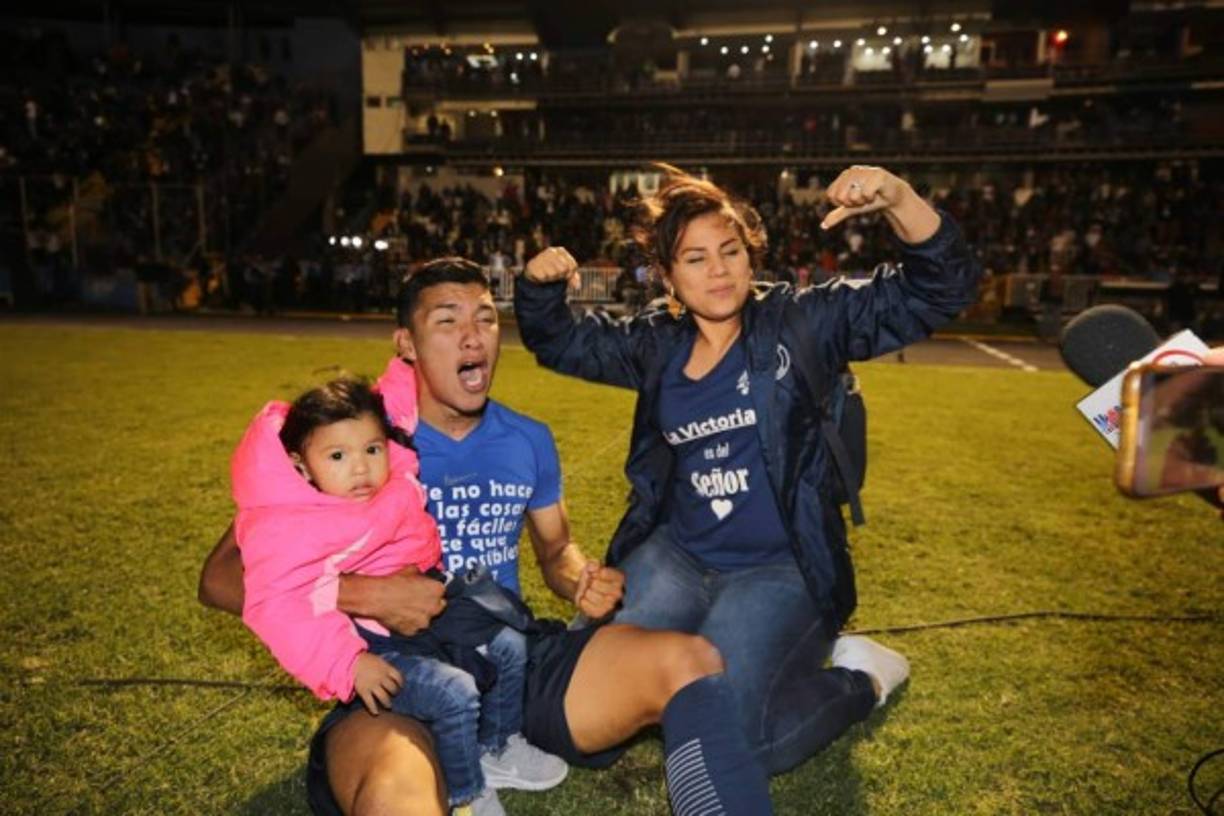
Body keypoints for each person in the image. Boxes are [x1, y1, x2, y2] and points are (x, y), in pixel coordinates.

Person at [199, 258, 775, 816]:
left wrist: (581, 580)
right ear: (406, 343)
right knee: (396, 799)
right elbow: (222, 578)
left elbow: (555, 552)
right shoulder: (353, 442)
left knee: (686, 660)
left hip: (510, 656)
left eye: (486, 318)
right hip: (397, 675)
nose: (472, 338)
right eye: (447, 322)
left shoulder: (527, 439)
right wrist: (368, 596)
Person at [514, 164, 982, 775]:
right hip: (677, 558)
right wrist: (539, 288)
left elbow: (940, 288)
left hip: (781, 568)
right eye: (696, 258)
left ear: (750, 253)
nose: (719, 270)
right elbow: (563, 342)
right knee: (570, 707)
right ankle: (689, 673)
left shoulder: (803, 322)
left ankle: (862, 677)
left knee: (732, 744)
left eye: (730, 251)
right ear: (667, 276)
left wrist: (897, 196)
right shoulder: (657, 345)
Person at [231, 376, 565, 813]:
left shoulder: (395, 474)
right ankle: (467, 794)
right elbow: (278, 606)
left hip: (431, 600)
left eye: (372, 449)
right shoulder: (293, 526)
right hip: (372, 643)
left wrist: (414, 352)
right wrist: (348, 664)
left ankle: (497, 746)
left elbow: (402, 394)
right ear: (300, 466)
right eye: (337, 455)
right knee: (455, 691)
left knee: (508, 643)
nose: (360, 468)